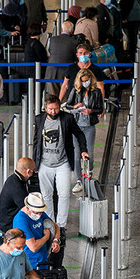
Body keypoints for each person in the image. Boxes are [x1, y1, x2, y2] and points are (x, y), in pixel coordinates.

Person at [32, 95, 89, 228]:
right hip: (44, 164)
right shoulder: (39, 119)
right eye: (50, 109)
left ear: (59, 107)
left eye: (56, 109)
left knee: (64, 195)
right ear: (45, 108)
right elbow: (36, 141)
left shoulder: (67, 118)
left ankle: (61, 226)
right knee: (46, 196)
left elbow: (79, 134)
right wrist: (35, 161)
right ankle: (50, 224)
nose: (53, 112)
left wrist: (83, 150)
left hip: (63, 163)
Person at [63, 68, 103, 182]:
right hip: (76, 125)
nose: (85, 82)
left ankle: (88, 173)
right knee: (76, 153)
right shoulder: (76, 91)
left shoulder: (96, 92)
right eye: (83, 80)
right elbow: (68, 106)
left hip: (89, 125)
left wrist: (91, 111)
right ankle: (79, 179)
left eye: (87, 80)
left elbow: (100, 109)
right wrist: (76, 106)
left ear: (91, 78)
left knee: (89, 151)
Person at [12, 192, 58, 272]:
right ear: (27, 208)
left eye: (41, 212)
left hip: (43, 262)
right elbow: (33, 247)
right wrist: (46, 237)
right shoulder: (21, 221)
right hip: (29, 266)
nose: (39, 215)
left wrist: (56, 240)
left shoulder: (38, 212)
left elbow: (55, 226)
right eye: (36, 213)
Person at [0, 157, 38, 234]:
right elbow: (28, 209)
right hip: (11, 229)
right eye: (33, 171)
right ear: (28, 171)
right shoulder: (17, 187)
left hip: (7, 224)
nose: (34, 173)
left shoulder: (13, 179)